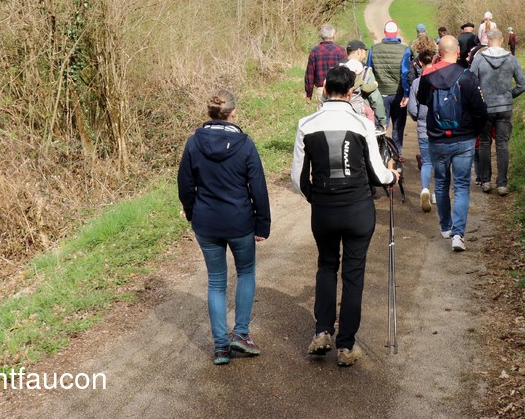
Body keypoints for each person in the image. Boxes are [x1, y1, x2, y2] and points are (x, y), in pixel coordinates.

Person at [292, 66, 400, 367]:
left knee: (326, 265)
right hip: (358, 209)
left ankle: (322, 331)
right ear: (351, 92)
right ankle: (346, 345)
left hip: (324, 210)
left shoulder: (306, 124)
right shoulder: (362, 124)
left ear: (325, 90)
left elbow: (298, 178)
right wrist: (392, 176)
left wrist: (317, 198)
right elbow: (377, 173)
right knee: (353, 274)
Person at [177, 90, 271, 365]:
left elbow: (185, 185)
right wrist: (262, 223)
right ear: (233, 113)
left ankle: (220, 347)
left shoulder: (194, 143)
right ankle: (241, 334)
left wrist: (193, 214)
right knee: (246, 273)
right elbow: (258, 187)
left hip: (206, 223)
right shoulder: (245, 144)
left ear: (210, 113)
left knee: (216, 281)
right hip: (240, 222)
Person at [416, 36, 488, 251]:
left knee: (441, 183)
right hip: (464, 138)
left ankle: (446, 227)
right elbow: (480, 111)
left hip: (437, 139)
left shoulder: (428, 76)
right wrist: (474, 133)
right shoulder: (467, 76)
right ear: (457, 52)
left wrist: (431, 68)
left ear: (439, 53)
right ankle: (458, 235)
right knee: (462, 186)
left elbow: (422, 100)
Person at [470, 29, 525, 195]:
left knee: (484, 143)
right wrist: (509, 95)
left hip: (485, 108)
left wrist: (477, 100)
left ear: (488, 41)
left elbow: (470, 84)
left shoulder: (479, 59)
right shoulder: (511, 59)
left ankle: (486, 181)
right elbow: (523, 85)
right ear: (502, 40)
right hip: (504, 107)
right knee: (502, 145)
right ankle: (502, 183)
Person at [405, 35, 439, 213]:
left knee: (426, 162)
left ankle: (425, 188)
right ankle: (436, 193)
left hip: (424, 127)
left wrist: (418, 117)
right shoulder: (443, 78)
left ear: (419, 62)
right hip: (441, 127)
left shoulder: (417, 83)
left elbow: (412, 108)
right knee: (440, 162)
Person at [368, 20, 407, 150]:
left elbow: (369, 71)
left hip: (380, 94)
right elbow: (405, 74)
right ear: (397, 33)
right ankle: (397, 152)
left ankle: (380, 151)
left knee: (381, 125)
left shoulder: (373, 49)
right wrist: (406, 93)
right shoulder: (405, 50)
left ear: (385, 32)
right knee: (398, 126)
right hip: (398, 93)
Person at [344, 39, 386, 127]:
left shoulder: (338, 69)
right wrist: (382, 120)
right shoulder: (365, 71)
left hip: (341, 113)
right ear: (359, 52)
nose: (365, 55)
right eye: (364, 52)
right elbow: (375, 98)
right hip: (360, 114)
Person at [305, 23, 347, 107]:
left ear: (321, 36)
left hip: (321, 90)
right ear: (334, 36)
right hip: (338, 90)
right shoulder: (341, 51)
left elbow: (310, 75)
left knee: (322, 114)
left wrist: (309, 93)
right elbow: (345, 72)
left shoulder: (315, 51)